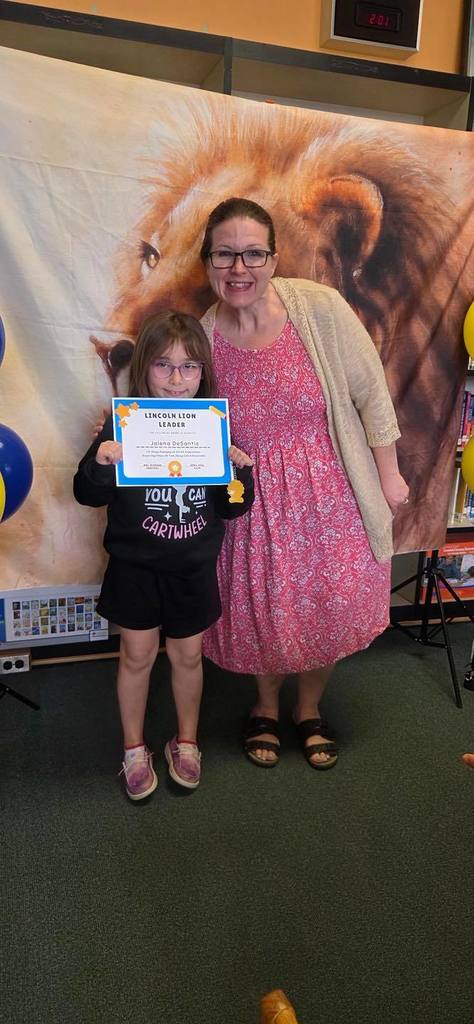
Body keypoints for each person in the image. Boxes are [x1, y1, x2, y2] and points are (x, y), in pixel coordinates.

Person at [198, 197, 409, 770]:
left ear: (272, 257)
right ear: (208, 260)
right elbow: (183, 418)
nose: (238, 269)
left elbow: (371, 393)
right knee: (264, 608)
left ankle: (308, 709)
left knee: (329, 603)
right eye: (225, 255)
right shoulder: (203, 336)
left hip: (332, 490)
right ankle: (265, 706)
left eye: (252, 254)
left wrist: (389, 476)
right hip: (252, 504)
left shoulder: (318, 308)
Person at [74, 311, 254, 800]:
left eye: (190, 367)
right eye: (164, 366)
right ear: (144, 369)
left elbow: (234, 508)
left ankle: (187, 741)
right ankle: (134, 748)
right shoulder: (120, 426)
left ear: (204, 373)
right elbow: (86, 494)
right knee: (135, 656)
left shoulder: (214, 428)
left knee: (188, 655)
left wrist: (241, 472)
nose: (177, 379)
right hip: (135, 569)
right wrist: (102, 461)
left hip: (193, 570)